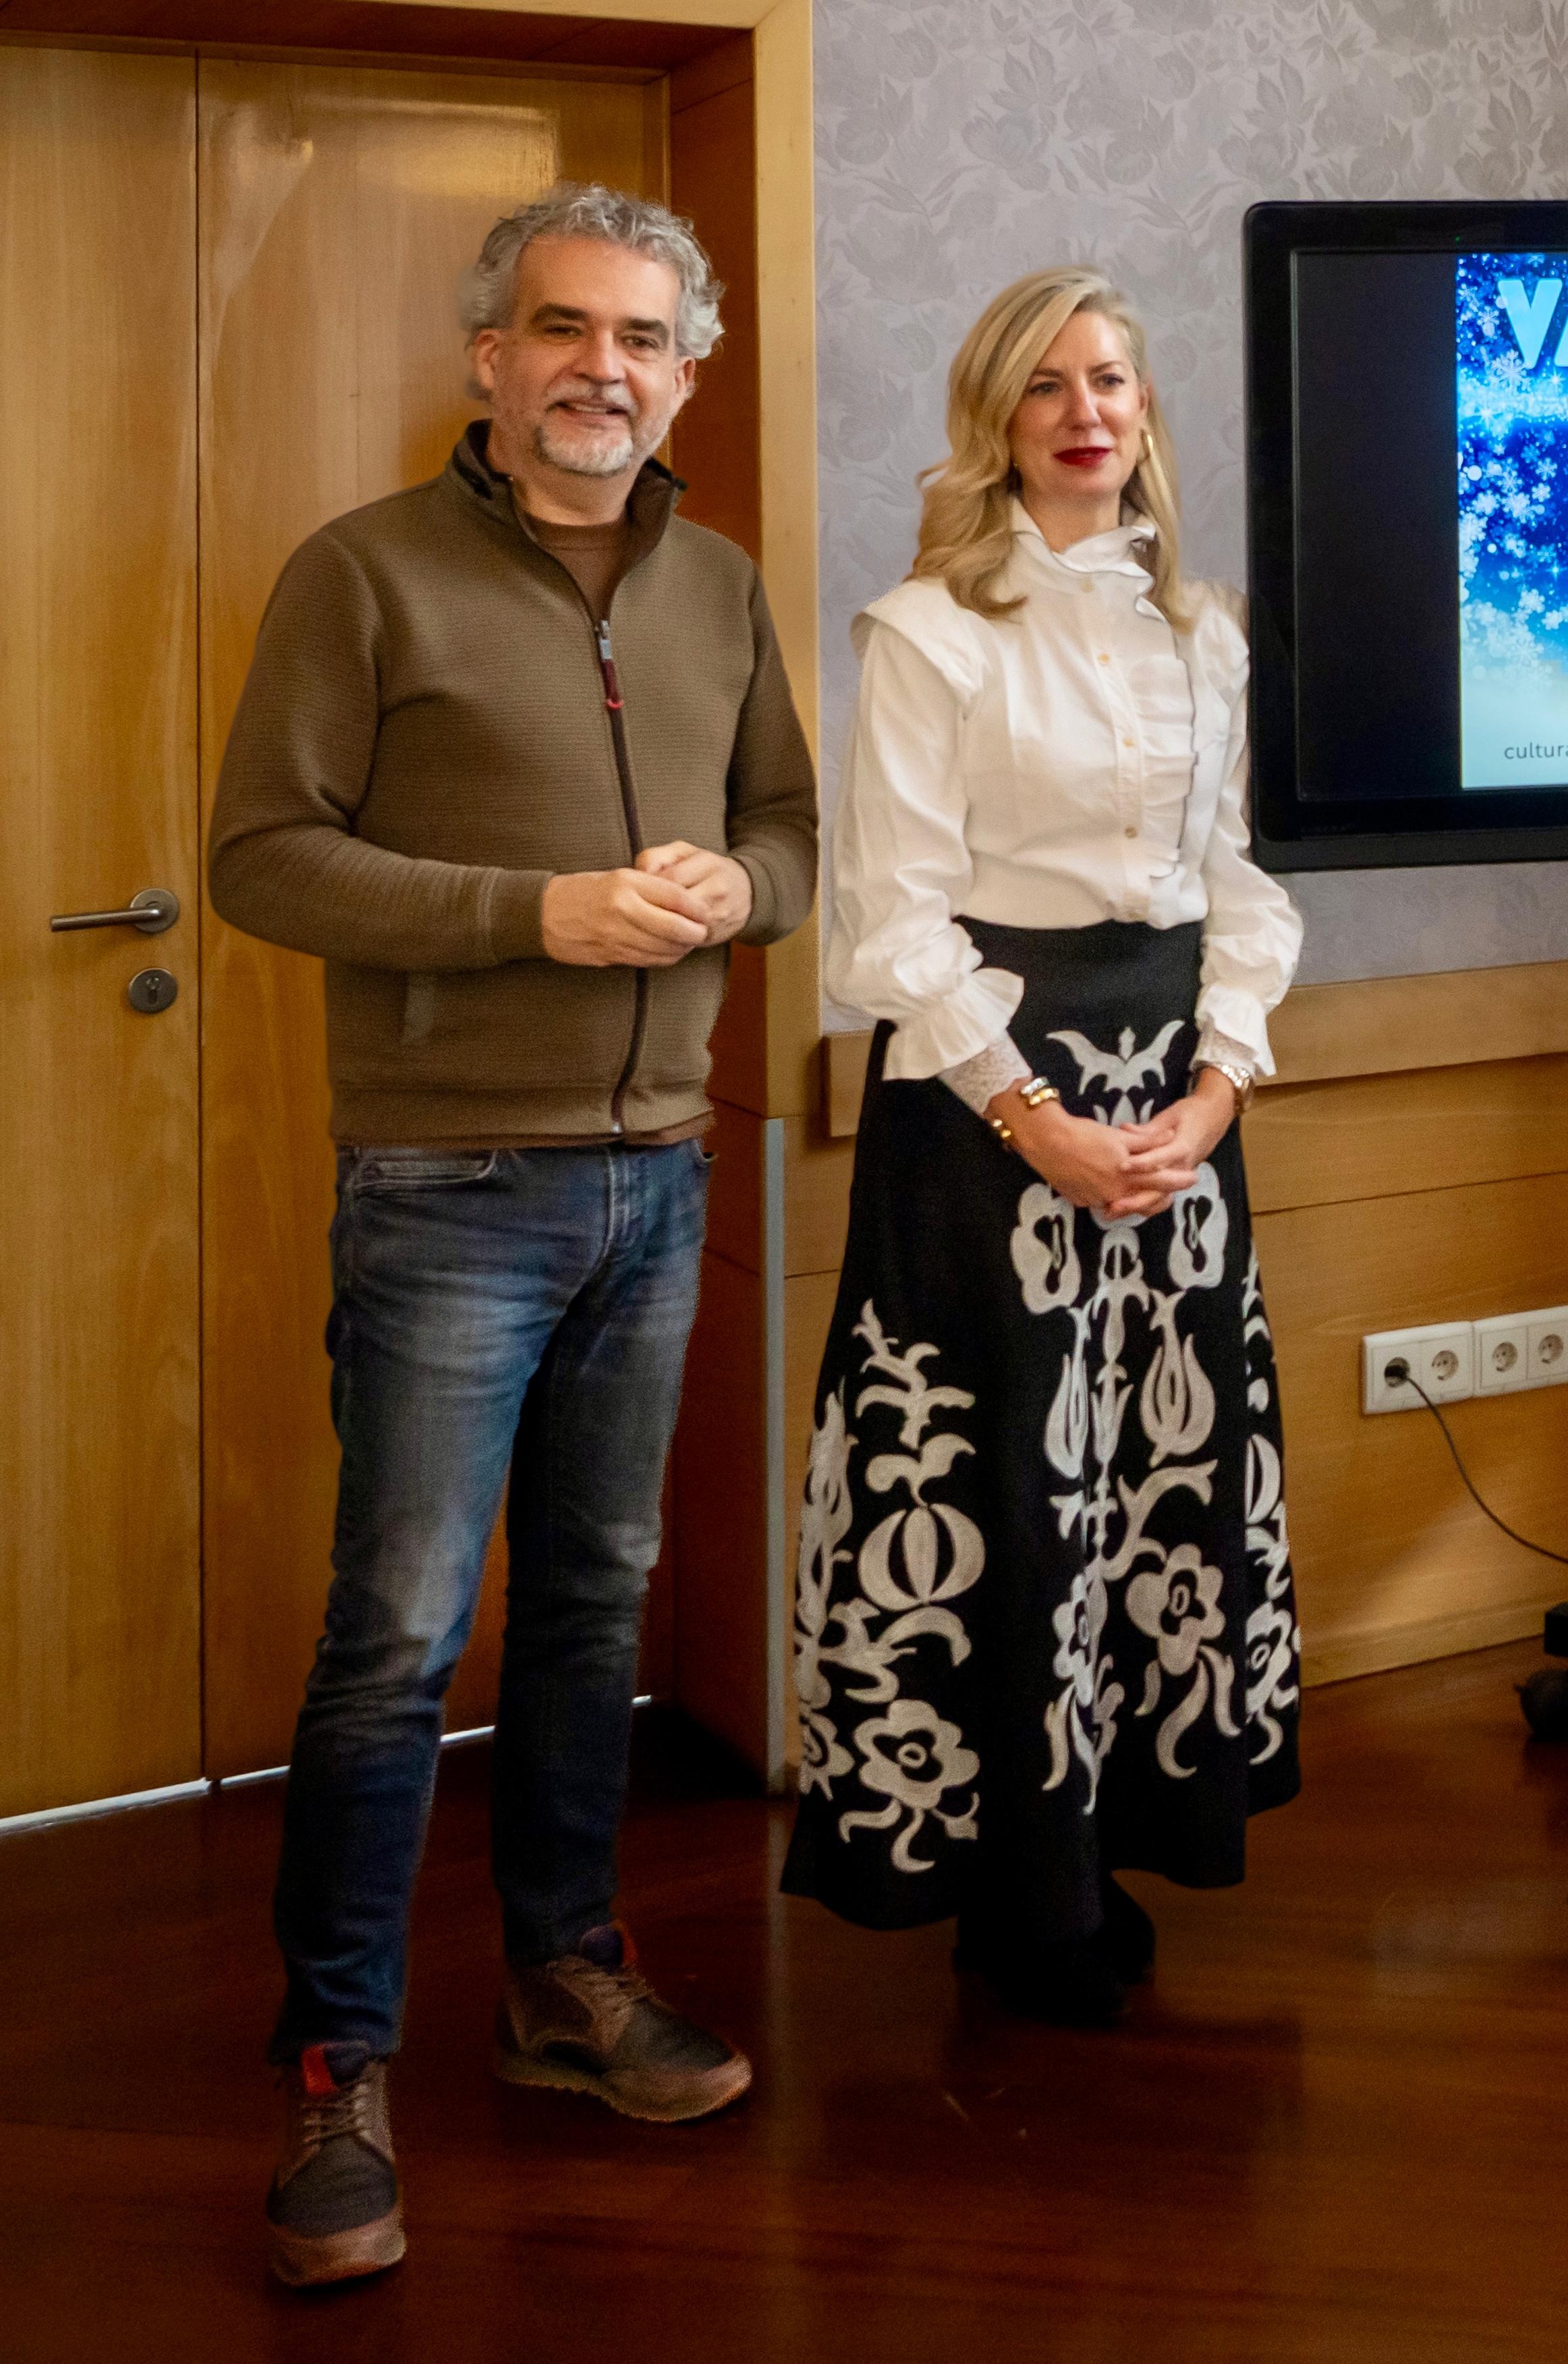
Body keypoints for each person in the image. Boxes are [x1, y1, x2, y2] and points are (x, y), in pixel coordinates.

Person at [209, 182, 820, 2289]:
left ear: (686, 375)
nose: (601, 368)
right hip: (447, 1187)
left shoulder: (720, 586)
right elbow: (263, 857)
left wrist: (740, 889)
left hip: (662, 1176)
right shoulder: (362, 572)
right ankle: (334, 2066)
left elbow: (790, 830)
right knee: (395, 1638)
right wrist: (531, 914)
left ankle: (564, 1976)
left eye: (643, 339)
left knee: (589, 1610)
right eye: (564, 328)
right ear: (490, 356)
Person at [789, 268, 1304, 2029]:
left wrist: (1215, 1096)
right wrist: (1040, 1124)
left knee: (1155, 1487)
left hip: (1173, 1108)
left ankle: (1113, 1851)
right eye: (1047, 385)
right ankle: (1014, 1892)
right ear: (995, 419)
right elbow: (888, 921)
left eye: (1114, 381)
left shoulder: (1206, 631)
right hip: (984, 1112)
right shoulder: (926, 630)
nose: (1088, 411)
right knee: (1006, 1489)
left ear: (1145, 413)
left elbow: (1239, 884)